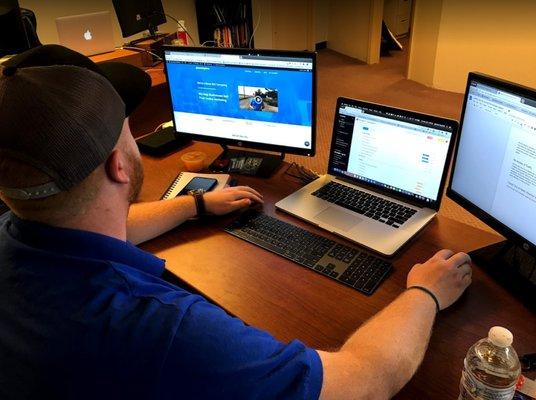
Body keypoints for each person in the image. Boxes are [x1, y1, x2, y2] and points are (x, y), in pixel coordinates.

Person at [0, 45, 472, 400]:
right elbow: (368, 381)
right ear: (118, 166)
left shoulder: (16, 232)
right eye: (124, 119)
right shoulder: (167, 330)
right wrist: (425, 292)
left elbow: (95, 229)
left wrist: (195, 206)